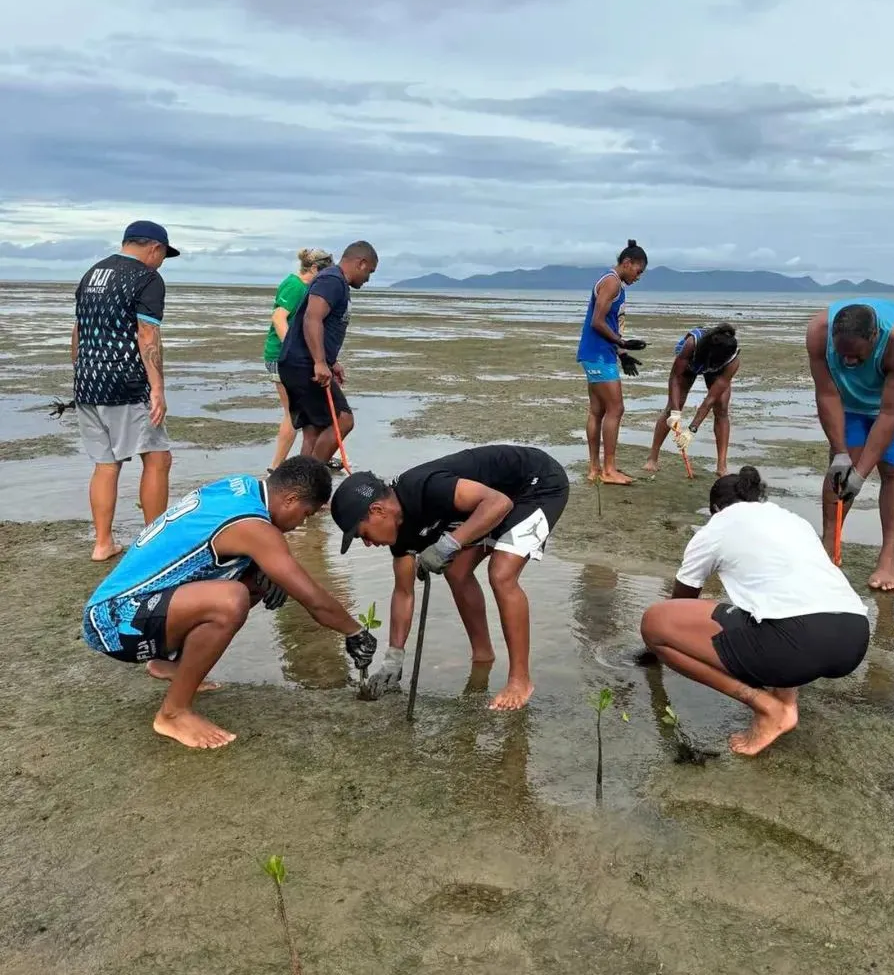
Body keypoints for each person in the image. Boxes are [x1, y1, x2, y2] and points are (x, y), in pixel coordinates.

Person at [82, 456, 377, 750]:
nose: (301, 523)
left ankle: (169, 665)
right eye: (306, 514)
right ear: (291, 499)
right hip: (114, 624)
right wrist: (355, 632)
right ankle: (173, 713)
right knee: (231, 600)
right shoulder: (254, 526)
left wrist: (258, 570)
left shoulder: (242, 488)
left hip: (126, 609)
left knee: (257, 581)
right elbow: (313, 600)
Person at [639, 466, 870, 756]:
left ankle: (767, 708)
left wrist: (655, 649)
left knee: (654, 623)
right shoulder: (793, 521)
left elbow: (679, 602)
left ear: (715, 508)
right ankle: (786, 700)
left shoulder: (718, 526)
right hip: (854, 638)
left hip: (797, 644)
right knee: (769, 607)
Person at [330, 444, 570, 711]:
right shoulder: (400, 531)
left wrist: (448, 545)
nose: (367, 543)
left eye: (363, 534)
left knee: (501, 574)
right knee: (457, 572)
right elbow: (403, 592)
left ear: (377, 510)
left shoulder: (423, 488)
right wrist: (394, 656)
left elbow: (498, 504)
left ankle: (520, 680)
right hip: (497, 499)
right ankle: (482, 656)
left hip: (536, 483)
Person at [805, 297, 894, 592]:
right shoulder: (818, 331)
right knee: (841, 469)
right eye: (843, 355)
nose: (849, 361)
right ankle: (829, 546)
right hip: (850, 396)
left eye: (856, 354)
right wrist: (840, 453)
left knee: (893, 469)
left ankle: (889, 557)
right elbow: (826, 394)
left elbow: (890, 413)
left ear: (875, 337)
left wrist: (862, 474)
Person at [70, 220, 177, 562]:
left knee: (105, 463)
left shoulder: (92, 275)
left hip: (87, 381)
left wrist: (80, 372)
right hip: (126, 382)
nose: (161, 262)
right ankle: (155, 541)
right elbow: (147, 334)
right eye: (163, 255)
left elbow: (78, 331)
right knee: (158, 458)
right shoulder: (147, 278)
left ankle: (103, 543)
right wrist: (157, 388)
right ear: (154, 249)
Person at [276, 241, 379, 464]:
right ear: (361, 263)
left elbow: (323, 326)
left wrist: (331, 362)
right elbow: (312, 318)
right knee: (343, 420)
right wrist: (320, 362)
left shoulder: (335, 282)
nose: (368, 279)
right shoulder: (332, 280)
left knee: (315, 430)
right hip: (304, 365)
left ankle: (298, 487)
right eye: (369, 271)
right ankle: (312, 481)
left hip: (298, 363)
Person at [575, 240, 649, 485]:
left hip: (599, 353)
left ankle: (595, 468)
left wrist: (622, 353)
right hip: (597, 354)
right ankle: (609, 469)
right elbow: (597, 321)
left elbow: (609, 323)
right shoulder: (611, 282)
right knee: (616, 409)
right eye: (638, 271)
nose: (638, 277)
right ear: (627, 263)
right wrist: (623, 342)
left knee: (598, 410)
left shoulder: (616, 284)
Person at [263, 247, 335, 472]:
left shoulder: (309, 288)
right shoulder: (294, 285)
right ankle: (276, 467)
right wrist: (292, 350)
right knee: (292, 413)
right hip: (281, 357)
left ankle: (317, 456)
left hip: (296, 358)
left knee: (308, 411)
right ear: (314, 268)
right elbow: (278, 317)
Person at [644, 322, 741, 476]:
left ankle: (721, 466)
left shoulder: (732, 361)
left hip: (717, 371)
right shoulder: (691, 344)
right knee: (671, 409)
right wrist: (676, 412)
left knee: (722, 408)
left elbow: (710, 399)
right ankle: (652, 458)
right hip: (691, 364)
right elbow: (675, 377)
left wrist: (691, 430)